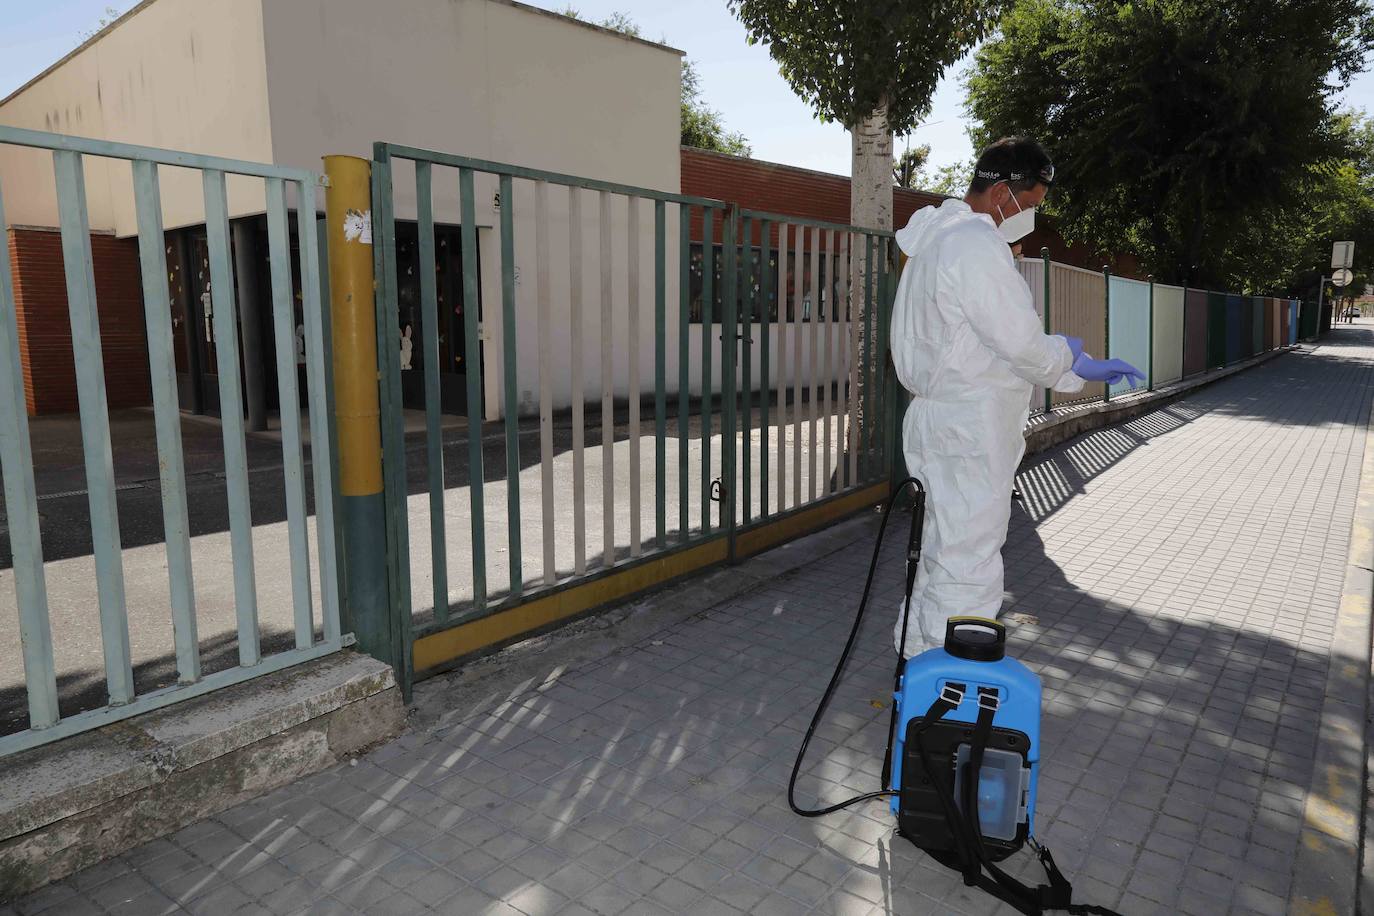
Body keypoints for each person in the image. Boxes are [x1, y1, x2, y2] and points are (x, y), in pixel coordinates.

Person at [889, 136, 1142, 658]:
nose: (1027, 217)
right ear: (1002, 191)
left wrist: (1063, 357)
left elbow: (974, 334)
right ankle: (948, 679)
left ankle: (917, 660)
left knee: (942, 547)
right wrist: (1071, 359)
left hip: (939, 419)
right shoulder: (974, 245)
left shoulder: (936, 241)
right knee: (969, 558)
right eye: (1027, 205)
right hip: (970, 426)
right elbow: (1019, 342)